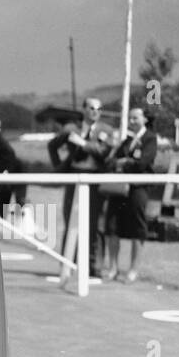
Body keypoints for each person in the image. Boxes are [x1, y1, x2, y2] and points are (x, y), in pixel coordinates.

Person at [47, 97, 114, 276]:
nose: (95, 112)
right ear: (84, 109)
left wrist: (83, 143)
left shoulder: (106, 130)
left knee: (97, 223)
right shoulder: (71, 129)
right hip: (74, 177)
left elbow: (103, 150)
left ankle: (95, 266)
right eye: (92, 108)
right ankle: (67, 264)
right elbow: (52, 145)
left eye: (99, 109)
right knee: (71, 221)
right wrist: (59, 166)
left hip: (96, 179)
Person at [101, 106, 158, 283]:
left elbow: (142, 164)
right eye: (130, 118)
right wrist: (123, 160)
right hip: (119, 189)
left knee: (137, 228)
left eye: (135, 118)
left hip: (138, 188)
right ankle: (113, 267)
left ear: (144, 120)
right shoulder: (125, 141)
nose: (131, 122)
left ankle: (133, 269)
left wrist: (124, 162)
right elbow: (110, 162)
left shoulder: (150, 139)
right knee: (112, 226)